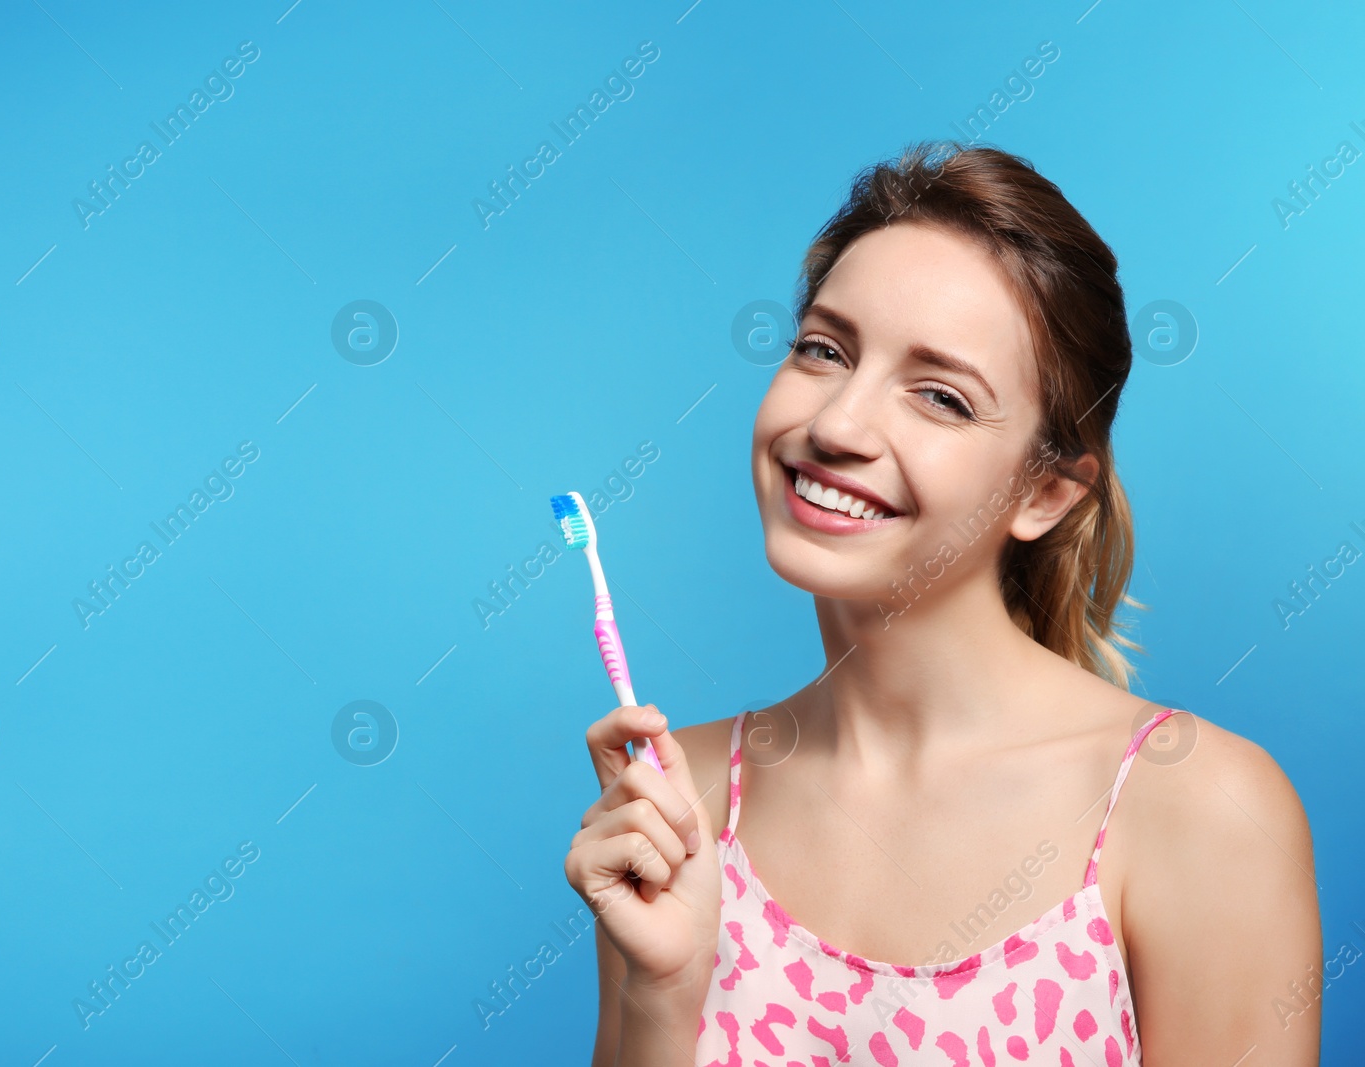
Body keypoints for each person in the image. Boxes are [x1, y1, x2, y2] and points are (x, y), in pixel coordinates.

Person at [564, 142, 1321, 1066]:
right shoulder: (678, 795)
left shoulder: (1198, 807)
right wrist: (660, 991)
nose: (836, 425)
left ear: (1047, 492)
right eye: (823, 349)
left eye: (941, 398)